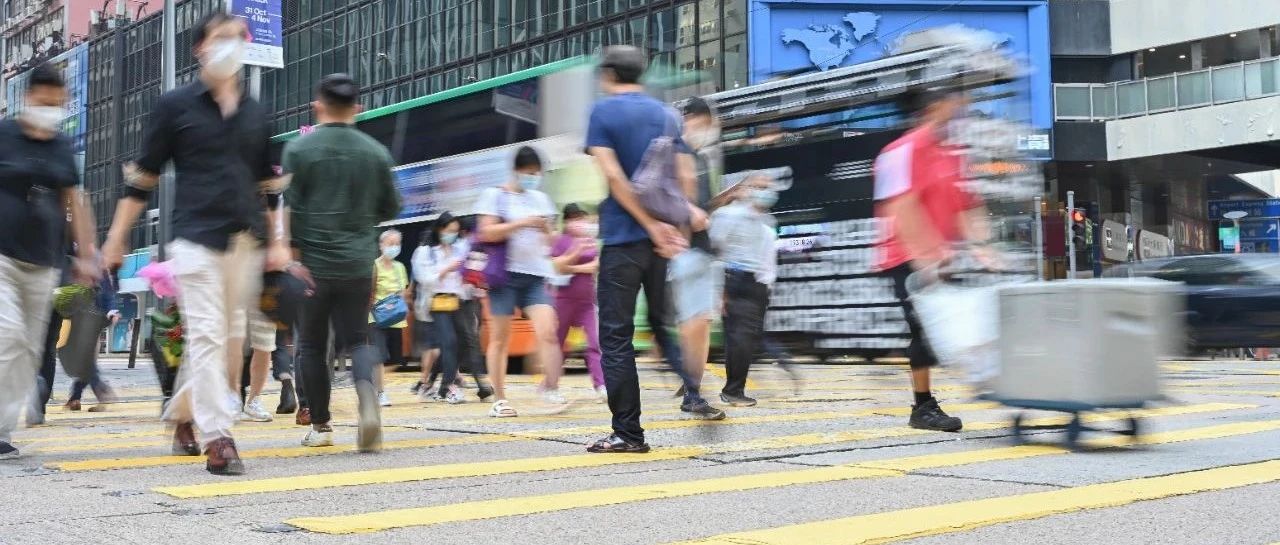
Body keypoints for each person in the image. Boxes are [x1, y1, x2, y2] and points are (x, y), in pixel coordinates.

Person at [102, 13, 289, 475]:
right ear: (200, 49)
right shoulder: (174, 106)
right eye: (221, 39)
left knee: (226, 342)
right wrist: (115, 239)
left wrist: (279, 242)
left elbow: (269, 184)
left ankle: (184, 415)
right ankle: (218, 436)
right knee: (206, 334)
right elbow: (142, 179)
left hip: (245, 241)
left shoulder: (256, 112)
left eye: (238, 39)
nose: (231, 46)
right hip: (195, 238)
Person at [584, 46, 710, 454]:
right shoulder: (667, 114)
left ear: (607, 73)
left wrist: (649, 225)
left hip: (624, 239)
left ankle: (628, 433)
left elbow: (614, 177)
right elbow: (684, 177)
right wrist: (674, 231)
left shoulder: (603, 113)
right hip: (662, 244)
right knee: (661, 325)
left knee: (617, 336)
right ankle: (695, 395)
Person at [286, 73, 401, 449]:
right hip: (357, 264)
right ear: (358, 109)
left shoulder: (299, 151)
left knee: (313, 347)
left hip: (312, 268)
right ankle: (368, 399)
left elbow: (291, 210)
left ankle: (321, 427)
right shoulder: (375, 152)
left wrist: (292, 255)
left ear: (317, 106)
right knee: (359, 338)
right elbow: (390, 207)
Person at [874, 85, 991, 432]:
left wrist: (983, 245)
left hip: (943, 256)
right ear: (933, 108)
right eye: (954, 102)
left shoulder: (952, 153)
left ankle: (976, 382)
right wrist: (925, 255)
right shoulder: (899, 152)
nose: (960, 109)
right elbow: (901, 207)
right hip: (905, 255)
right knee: (924, 328)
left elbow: (970, 205)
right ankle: (923, 407)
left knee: (956, 324)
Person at [1, 63, 100, 459]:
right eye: (46, 103)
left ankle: (2, 429)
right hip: (2, 256)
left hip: (43, 261)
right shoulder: (4, 135)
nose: (53, 111)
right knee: (7, 335)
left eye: (59, 104)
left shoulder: (62, 146)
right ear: (29, 98)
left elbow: (74, 200)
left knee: (27, 349)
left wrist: (87, 255)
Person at [475, 146, 563, 418]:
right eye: (528, 173)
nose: (532, 178)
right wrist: (521, 223)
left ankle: (551, 387)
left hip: (535, 275)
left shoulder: (541, 199)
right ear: (515, 171)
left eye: (536, 174)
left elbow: (553, 243)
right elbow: (486, 232)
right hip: (505, 276)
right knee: (501, 338)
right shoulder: (494, 196)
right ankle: (499, 399)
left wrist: (546, 228)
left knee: (548, 330)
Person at [666, 96, 727, 420]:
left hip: (702, 249)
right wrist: (689, 214)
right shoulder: (676, 153)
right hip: (685, 250)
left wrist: (722, 200)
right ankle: (691, 391)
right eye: (701, 123)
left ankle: (692, 387)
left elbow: (700, 204)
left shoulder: (699, 158)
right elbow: (669, 198)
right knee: (693, 324)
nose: (705, 130)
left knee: (699, 323)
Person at [709, 173, 780, 407]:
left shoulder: (767, 221)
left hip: (757, 284)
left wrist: (767, 285)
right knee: (740, 338)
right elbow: (716, 251)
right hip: (734, 278)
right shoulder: (727, 215)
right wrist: (720, 290)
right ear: (747, 189)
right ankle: (732, 391)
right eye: (759, 187)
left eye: (768, 188)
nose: (765, 192)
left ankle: (733, 389)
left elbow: (768, 258)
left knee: (745, 339)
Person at [416, 213, 477, 404]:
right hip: (438, 302)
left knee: (464, 342)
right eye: (448, 230)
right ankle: (448, 387)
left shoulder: (459, 249)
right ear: (439, 229)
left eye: (455, 231)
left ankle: (435, 385)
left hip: (458, 301)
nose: (452, 234)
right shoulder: (427, 252)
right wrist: (446, 269)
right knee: (448, 342)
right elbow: (424, 278)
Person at [550, 203, 606, 402]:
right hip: (564, 301)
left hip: (587, 302)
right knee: (557, 344)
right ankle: (550, 386)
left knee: (595, 343)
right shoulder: (560, 241)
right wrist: (577, 258)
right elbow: (558, 267)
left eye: (581, 218)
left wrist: (575, 266)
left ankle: (600, 385)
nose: (579, 223)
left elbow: (597, 264)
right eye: (574, 219)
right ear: (566, 221)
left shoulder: (589, 240)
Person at [370, 228, 408, 407]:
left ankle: (372, 381)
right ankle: (380, 392)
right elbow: (369, 292)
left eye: (397, 244)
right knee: (379, 356)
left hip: (395, 317)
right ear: (381, 245)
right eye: (390, 244)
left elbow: (403, 291)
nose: (394, 247)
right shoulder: (374, 266)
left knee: (395, 359)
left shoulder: (400, 267)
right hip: (375, 318)